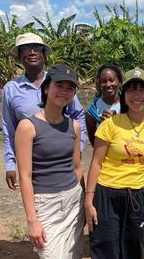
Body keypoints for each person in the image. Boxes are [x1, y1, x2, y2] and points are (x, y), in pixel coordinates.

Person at [84, 67, 144, 259]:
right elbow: (96, 163)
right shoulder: (110, 124)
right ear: (124, 94)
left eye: (142, 89)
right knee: (105, 250)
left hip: (137, 197)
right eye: (131, 89)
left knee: (133, 249)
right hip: (106, 195)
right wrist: (89, 201)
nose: (137, 95)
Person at [15, 64, 85, 258]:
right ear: (47, 88)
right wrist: (32, 221)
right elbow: (25, 176)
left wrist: (85, 203)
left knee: (74, 255)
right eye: (59, 85)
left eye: (70, 88)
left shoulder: (75, 126)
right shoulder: (27, 127)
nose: (64, 91)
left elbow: (77, 168)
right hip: (46, 204)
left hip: (74, 200)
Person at [2, 32, 86, 190]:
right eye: (26, 48)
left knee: (68, 193)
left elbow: (78, 115)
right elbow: (9, 129)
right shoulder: (11, 89)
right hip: (33, 159)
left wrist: (78, 147)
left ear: (44, 54)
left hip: (62, 155)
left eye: (36, 48)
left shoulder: (59, 82)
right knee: (37, 200)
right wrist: (10, 164)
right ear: (19, 56)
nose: (32, 52)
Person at [85, 64, 123, 146]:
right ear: (99, 84)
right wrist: (105, 127)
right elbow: (94, 144)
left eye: (112, 80)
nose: (108, 84)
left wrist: (117, 121)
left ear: (119, 82)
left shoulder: (128, 105)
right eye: (104, 81)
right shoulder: (92, 111)